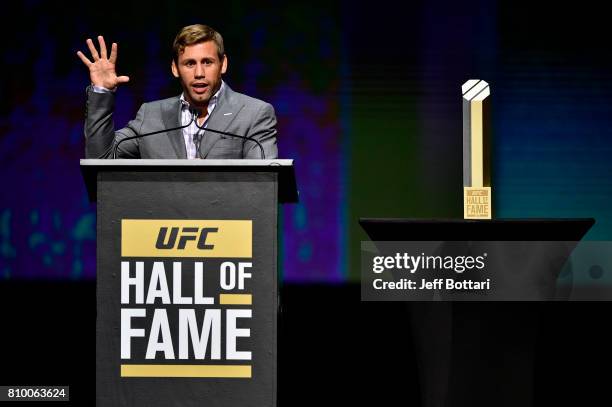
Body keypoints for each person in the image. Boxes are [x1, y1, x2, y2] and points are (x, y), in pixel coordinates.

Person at [77, 24, 278, 159]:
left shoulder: (253, 114)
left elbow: (263, 186)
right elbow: (101, 158)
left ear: (223, 64)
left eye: (207, 62)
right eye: (189, 63)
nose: (199, 73)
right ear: (175, 68)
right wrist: (101, 92)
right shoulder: (151, 116)